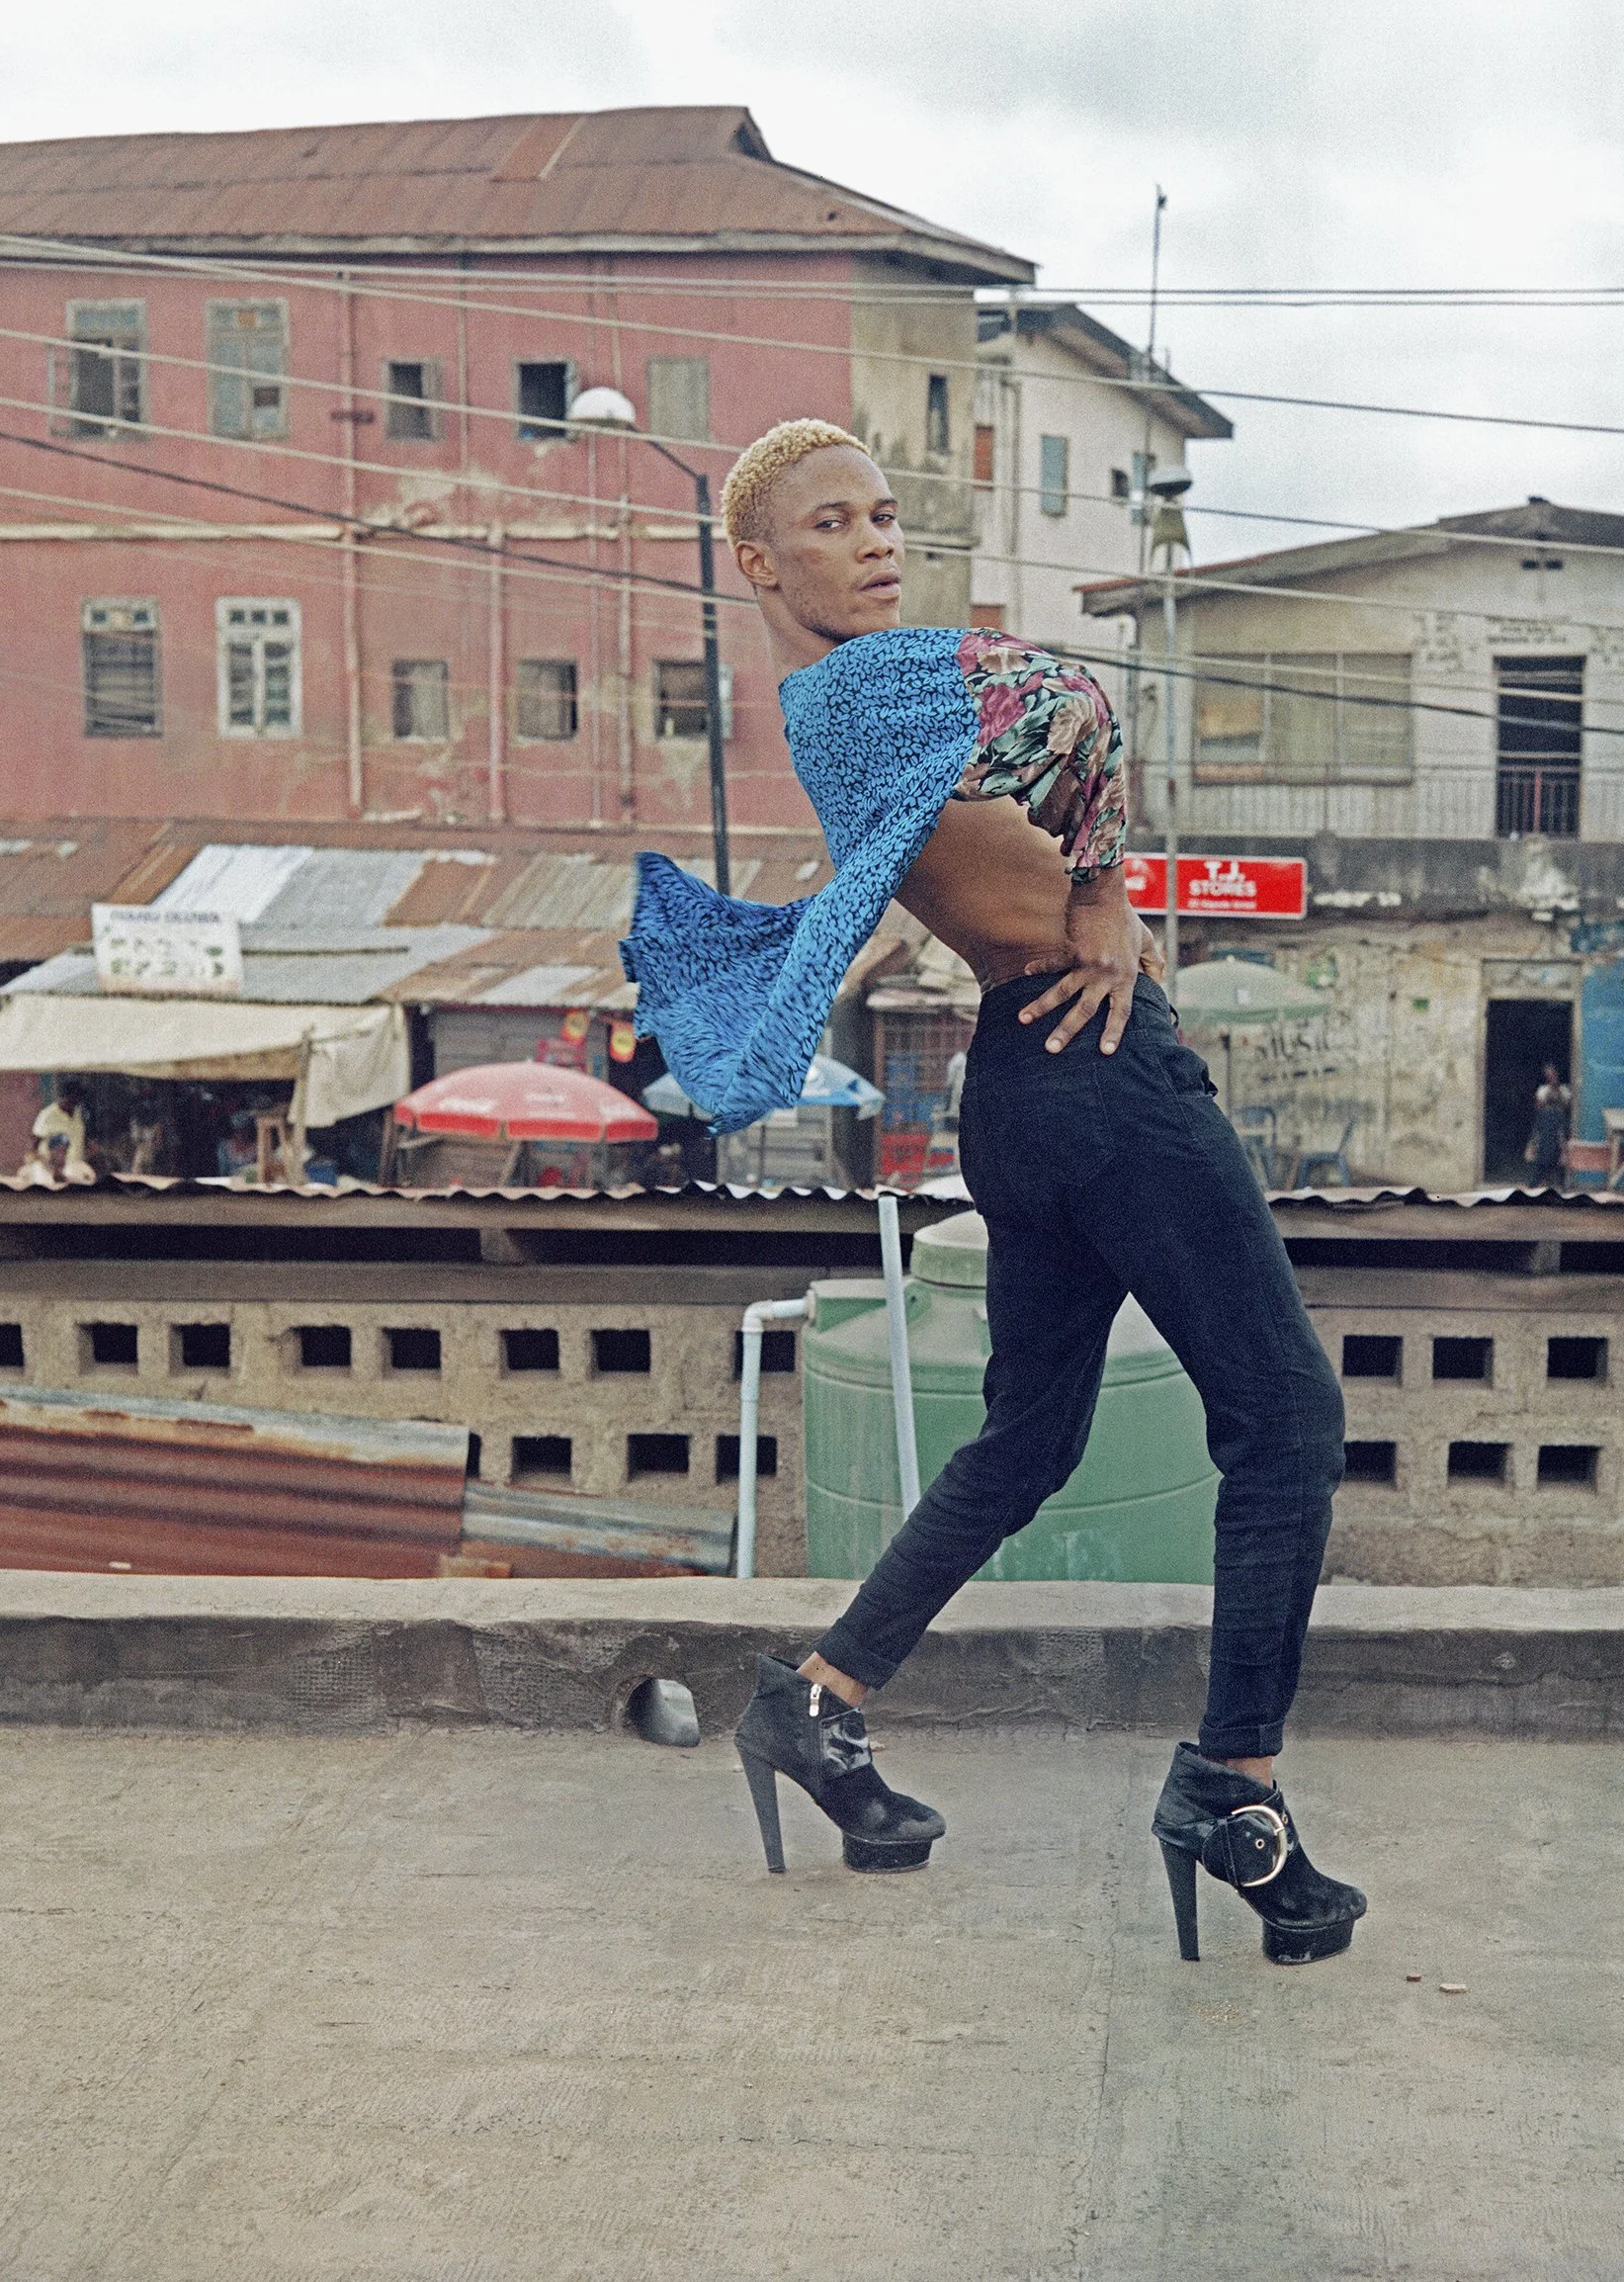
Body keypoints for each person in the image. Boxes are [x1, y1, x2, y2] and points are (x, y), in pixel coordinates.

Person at [626, 420, 1362, 1967]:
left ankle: (816, 1700)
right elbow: (1081, 699)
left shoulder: (826, 700)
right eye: (835, 523)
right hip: (1102, 1075)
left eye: (889, 515)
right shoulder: (881, 682)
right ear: (759, 561)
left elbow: (1044, 762)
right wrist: (1103, 892)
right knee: (1286, 1418)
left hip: (1018, 1081)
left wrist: (1099, 888)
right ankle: (1236, 1788)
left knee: (1027, 1438)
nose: (879, 542)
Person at [1527, 1062, 1572, 1188]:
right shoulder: (1542, 1090)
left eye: (1553, 1074)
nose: (1551, 1077)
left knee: (1559, 1152)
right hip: (1545, 1125)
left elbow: (1567, 1106)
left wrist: (1557, 1092)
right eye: (1548, 1075)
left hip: (1559, 1125)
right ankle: (1540, 1181)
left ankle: (1560, 1183)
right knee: (1543, 1152)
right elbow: (1538, 1107)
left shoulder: (1564, 1090)